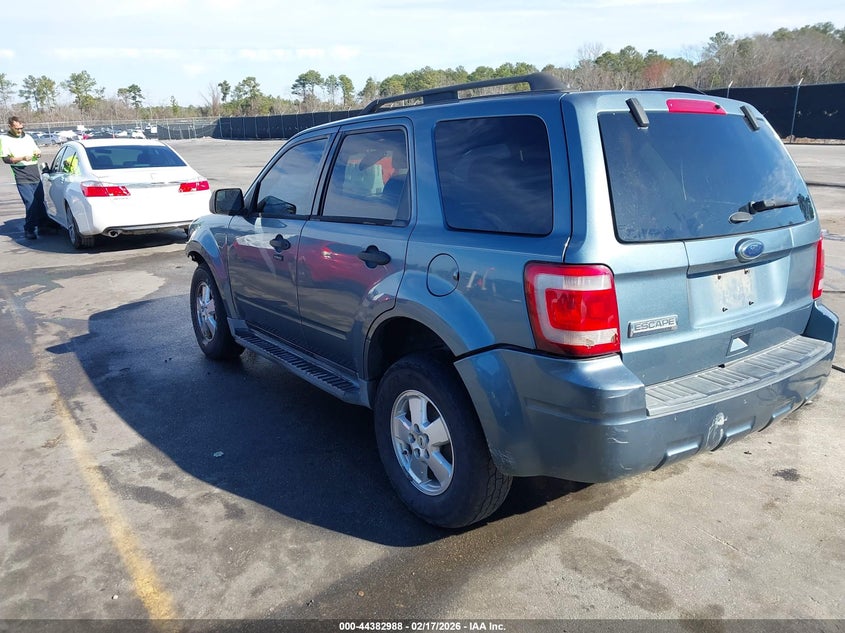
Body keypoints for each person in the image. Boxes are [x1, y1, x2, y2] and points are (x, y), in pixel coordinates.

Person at [0, 116, 54, 240]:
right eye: (17, 128)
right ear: (10, 127)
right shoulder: (4, 139)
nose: (19, 130)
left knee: (40, 202)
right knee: (30, 203)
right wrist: (22, 158)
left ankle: (43, 226)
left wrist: (38, 153)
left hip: (34, 172)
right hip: (21, 174)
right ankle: (29, 229)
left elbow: (37, 150)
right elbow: (6, 159)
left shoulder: (28, 137)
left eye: (21, 128)